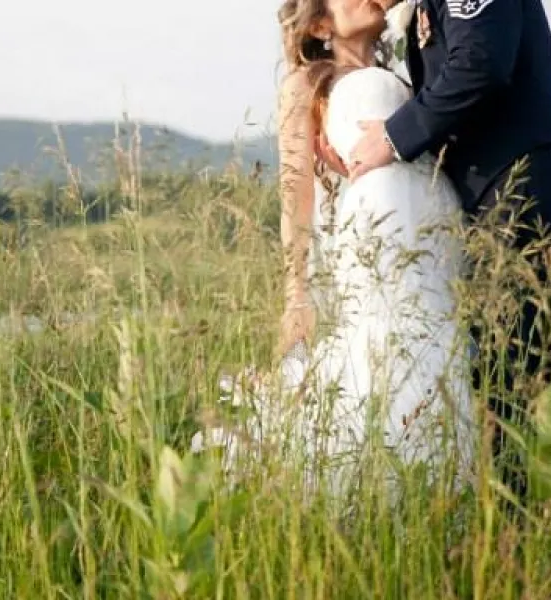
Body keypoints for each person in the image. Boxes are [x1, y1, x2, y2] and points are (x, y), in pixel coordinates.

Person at [191, 0, 479, 504]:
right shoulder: (306, 86)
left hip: (423, 263)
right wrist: (296, 295)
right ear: (321, 24)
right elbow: (295, 200)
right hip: (356, 261)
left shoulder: (410, 75)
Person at [329, 0, 551, 509]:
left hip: (525, 192)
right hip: (497, 199)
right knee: (491, 392)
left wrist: (392, 137)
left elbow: (482, 63)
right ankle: (493, 539)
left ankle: (509, 552)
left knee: (500, 396)